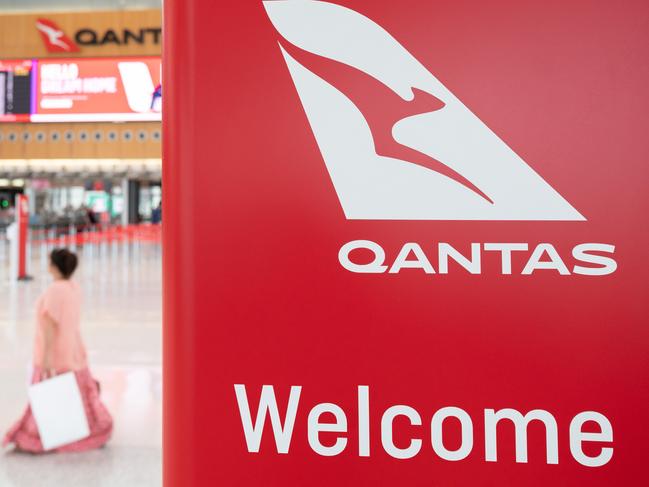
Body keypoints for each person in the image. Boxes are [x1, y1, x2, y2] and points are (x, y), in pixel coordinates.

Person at [2, 249, 113, 453]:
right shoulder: (74, 288)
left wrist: (45, 361)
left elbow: (50, 326)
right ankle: (89, 432)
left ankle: (37, 437)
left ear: (54, 267)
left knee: (47, 397)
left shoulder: (55, 290)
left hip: (57, 354)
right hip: (74, 351)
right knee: (78, 397)